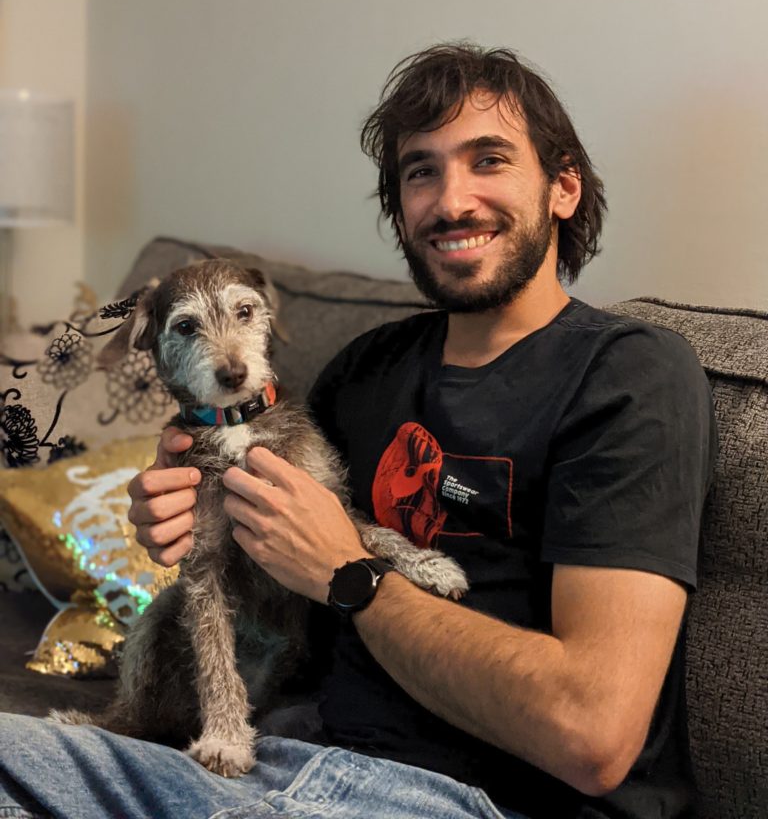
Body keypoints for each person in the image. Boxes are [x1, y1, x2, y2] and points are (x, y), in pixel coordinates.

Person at [0, 44, 715, 819]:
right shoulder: (365, 372)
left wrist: (350, 572)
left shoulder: (629, 376)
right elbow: (260, 537)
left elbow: (592, 734)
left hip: (455, 801)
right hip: (275, 758)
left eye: (489, 160)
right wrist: (182, 505)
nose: (452, 201)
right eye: (421, 171)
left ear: (563, 187)